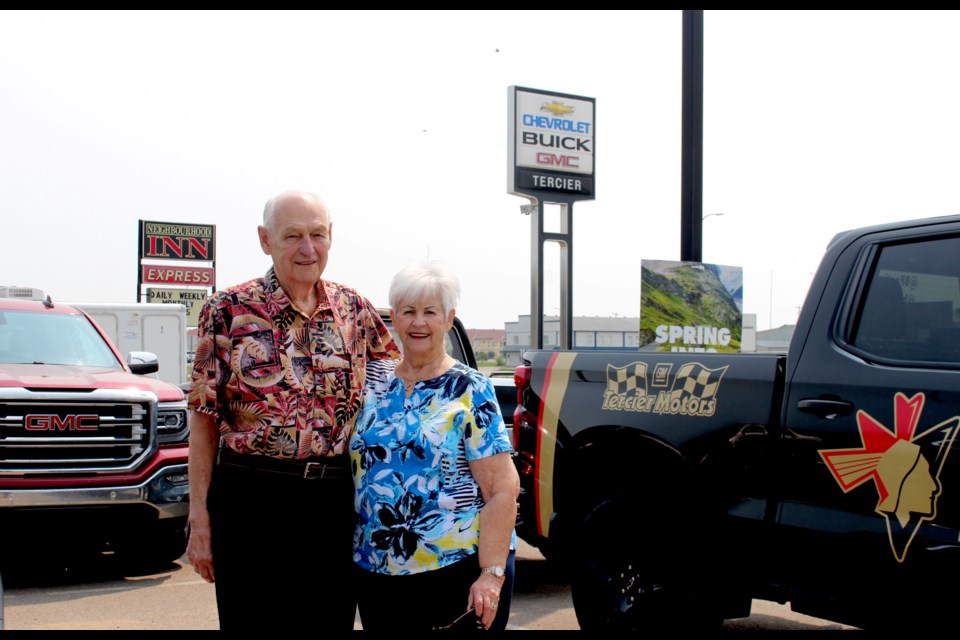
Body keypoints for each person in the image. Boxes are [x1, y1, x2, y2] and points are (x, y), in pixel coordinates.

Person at [185, 189, 401, 631]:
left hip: (333, 503)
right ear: (266, 240)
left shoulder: (355, 310)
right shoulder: (226, 310)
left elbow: (404, 380)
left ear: (331, 236)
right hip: (250, 499)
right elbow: (203, 419)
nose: (308, 248)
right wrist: (199, 518)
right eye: (293, 236)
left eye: (317, 234)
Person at [349, 260, 520, 632]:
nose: (418, 322)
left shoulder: (471, 389)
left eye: (430, 311)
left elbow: (502, 489)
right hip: (374, 573)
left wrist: (491, 575)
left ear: (448, 318)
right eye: (408, 311)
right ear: (394, 318)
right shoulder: (372, 383)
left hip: (452, 570)